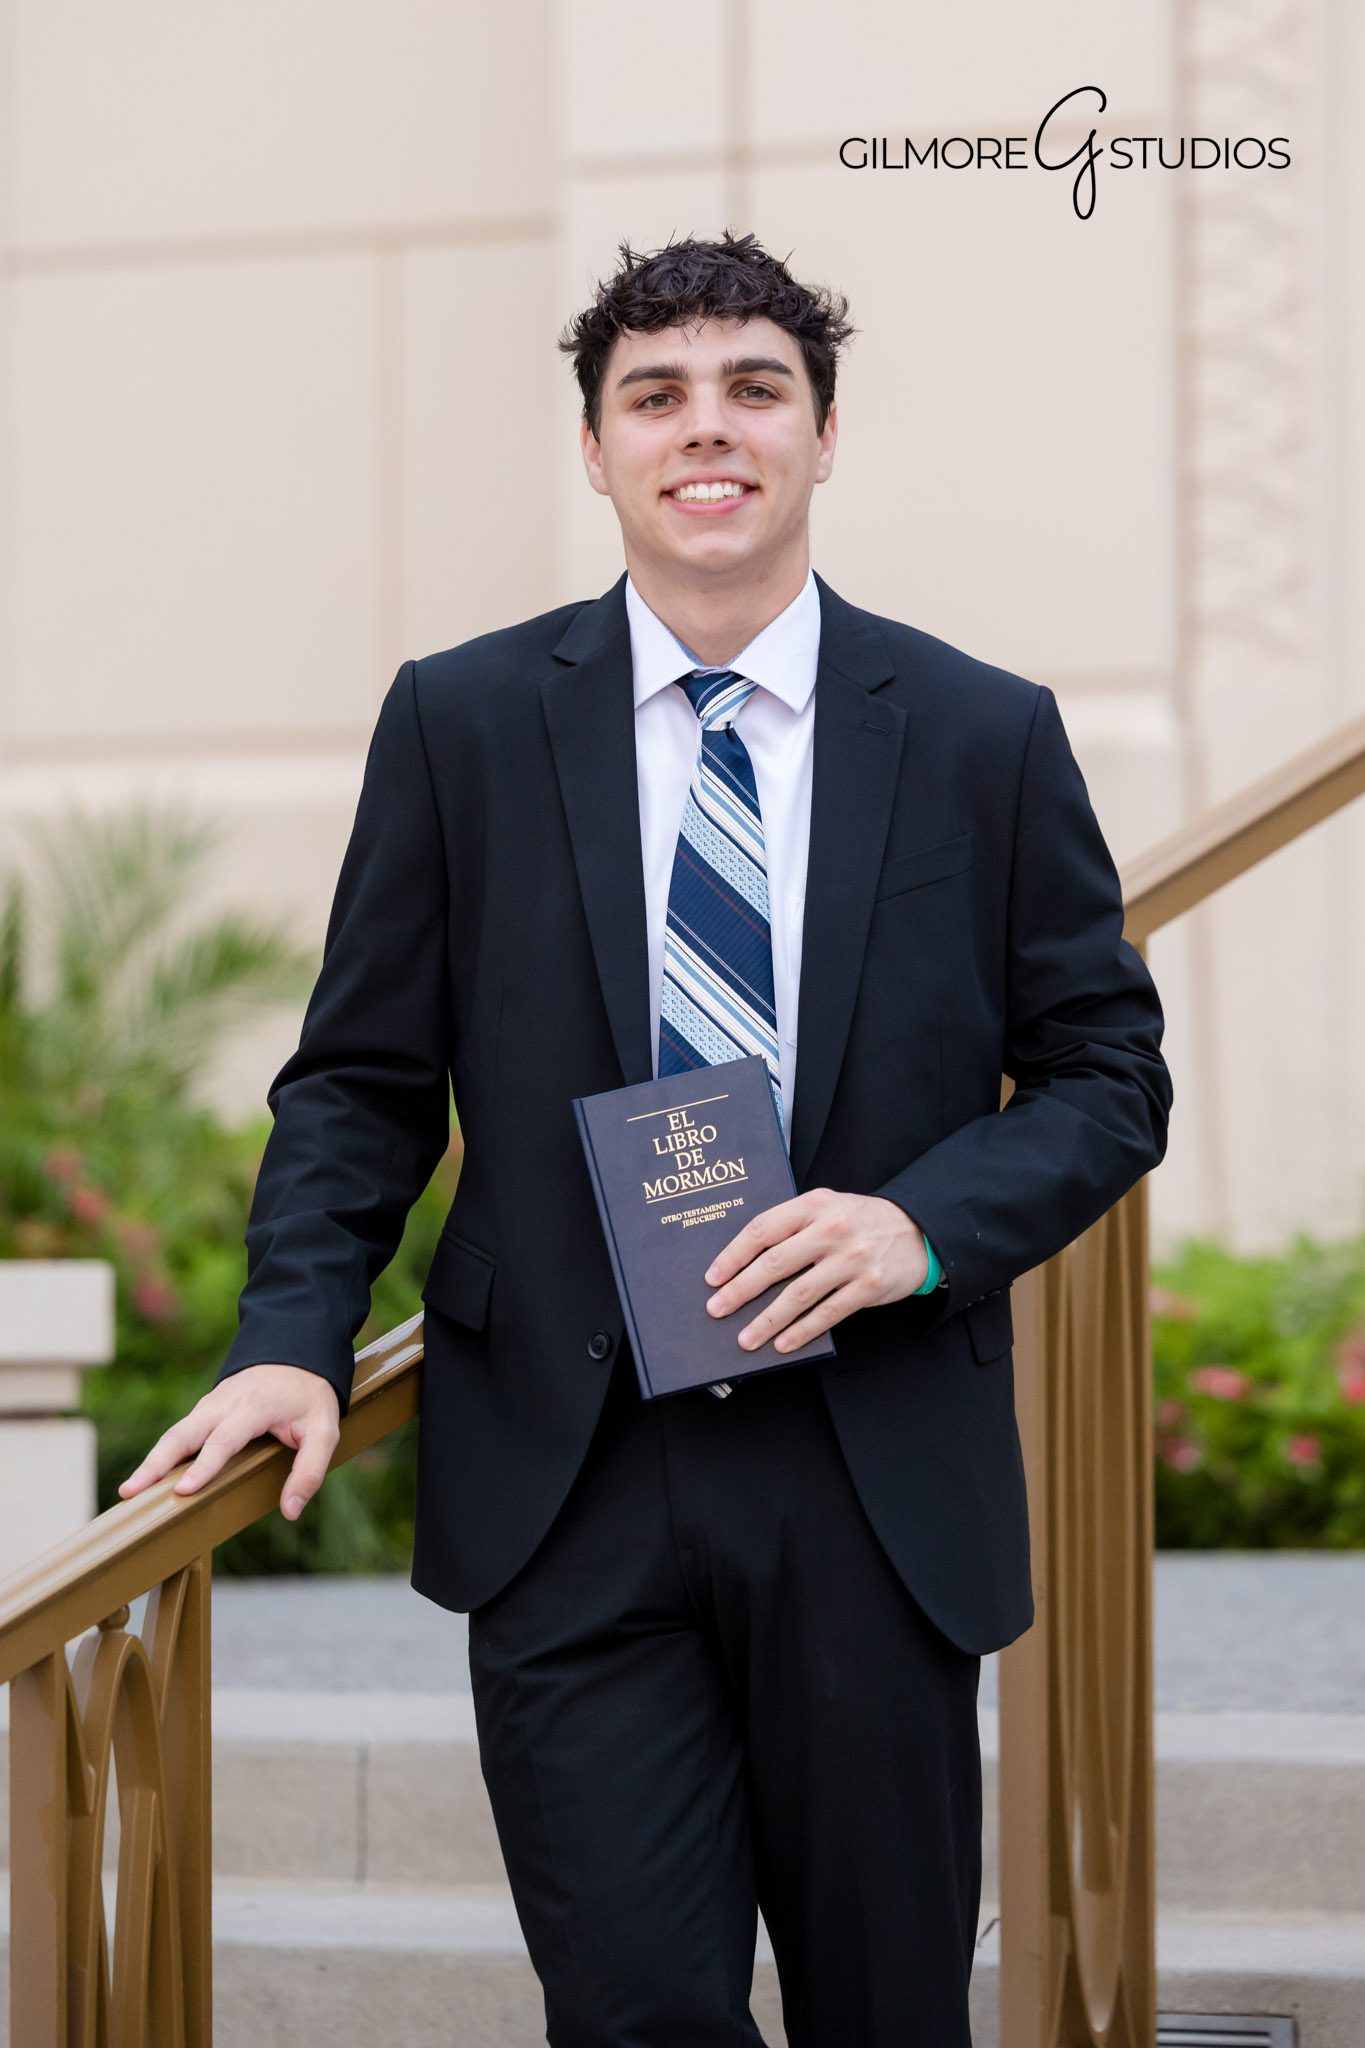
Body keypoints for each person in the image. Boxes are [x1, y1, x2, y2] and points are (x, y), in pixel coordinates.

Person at [119, 229, 1173, 2045]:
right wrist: (289, 1340)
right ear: (592, 448)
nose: (709, 428)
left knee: (887, 2016)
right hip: (572, 1481)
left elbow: (1105, 1068)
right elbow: (360, 1081)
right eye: (655, 394)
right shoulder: (459, 721)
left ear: (822, 434)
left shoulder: (983, 734)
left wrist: (915, 1228)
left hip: (867, 1469)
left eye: (755, 388)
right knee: (630, 2019)